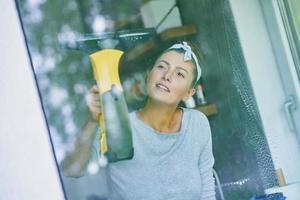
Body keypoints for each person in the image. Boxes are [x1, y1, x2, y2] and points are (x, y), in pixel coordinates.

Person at [61, 41, 216, 200]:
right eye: (162, 66)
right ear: (149, 75)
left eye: (179, 74)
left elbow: (207, 193)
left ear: (189, 93)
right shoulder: (119, 127)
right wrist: (93, 120)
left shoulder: (197, 124)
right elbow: (72, 169)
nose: (166, 76)